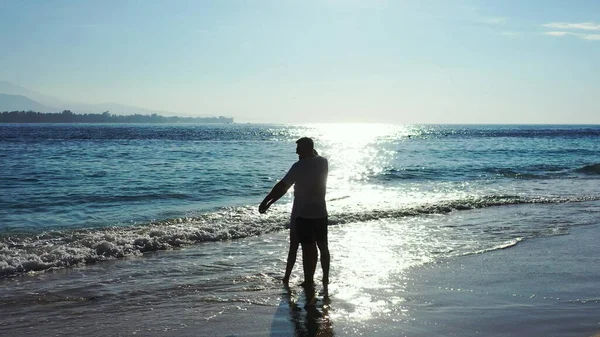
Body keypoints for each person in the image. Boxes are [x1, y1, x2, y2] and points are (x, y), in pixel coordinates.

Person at [259, 137, 330, 294]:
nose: (296, 151)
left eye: (299, 148)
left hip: (304, 214)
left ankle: (309, 281)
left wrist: (267, 201)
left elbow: (282, 187)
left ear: (305, 149)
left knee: (307, 249)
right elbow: (315, 157)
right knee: (323, 247)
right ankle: (325, 279)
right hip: (320, 213)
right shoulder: (323, 162)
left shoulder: (298, 166)